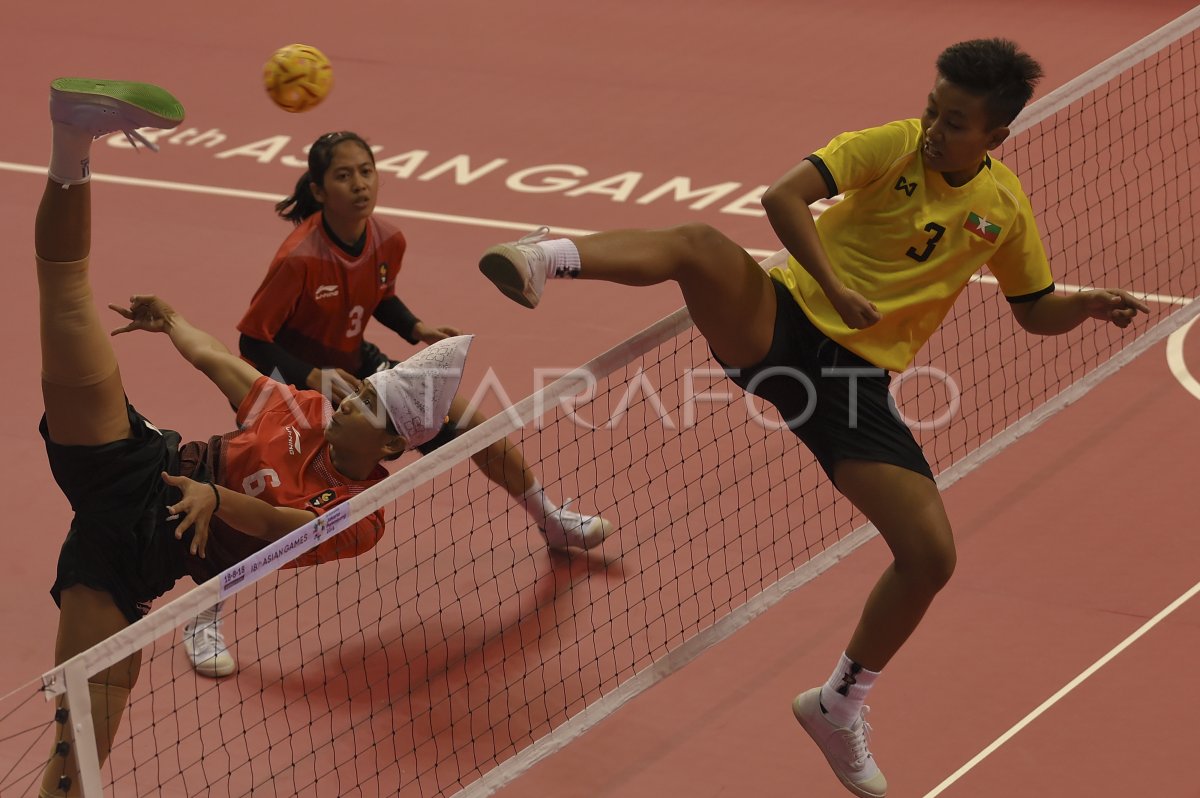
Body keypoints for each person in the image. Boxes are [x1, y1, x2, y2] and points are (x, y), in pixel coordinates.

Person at [477, 39, 1150, 798]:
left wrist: (1081, 307)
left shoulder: (1003, 208)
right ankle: (547, 257)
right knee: (700, 244)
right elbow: (781, 198)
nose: (934, 125)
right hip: (784, 318)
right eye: (934, 105)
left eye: (956, 120)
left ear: (996, 137)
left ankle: (838, 704)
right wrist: (832, 286)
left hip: (852, 388)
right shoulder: (891, 145)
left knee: (929, 555)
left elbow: (1033, 311)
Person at [34, 78, 474, 797]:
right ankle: (73, 134)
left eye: (365, 400)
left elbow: (280, 525)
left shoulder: (362, 517)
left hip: (136, 563)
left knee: (79, 735)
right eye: (360, 385)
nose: (349, 393)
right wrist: (171, 322)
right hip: (140, 469)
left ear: (392, 447)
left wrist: (218, 500)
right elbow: (225, 364)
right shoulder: (303, 407)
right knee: (66, 292)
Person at [179, 131, 615, 679]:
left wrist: (414, 327)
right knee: (258, 498)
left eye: (367, 171)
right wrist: (311, 376)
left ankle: (551, 520)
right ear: (319, 188)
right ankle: (203, 611)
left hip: (363, 377)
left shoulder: (389, 240)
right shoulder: (299, 259)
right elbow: (253, 341)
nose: (360, 184)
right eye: (344, 175)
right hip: (301, 390)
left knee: (471, 425)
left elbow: (377, 295)